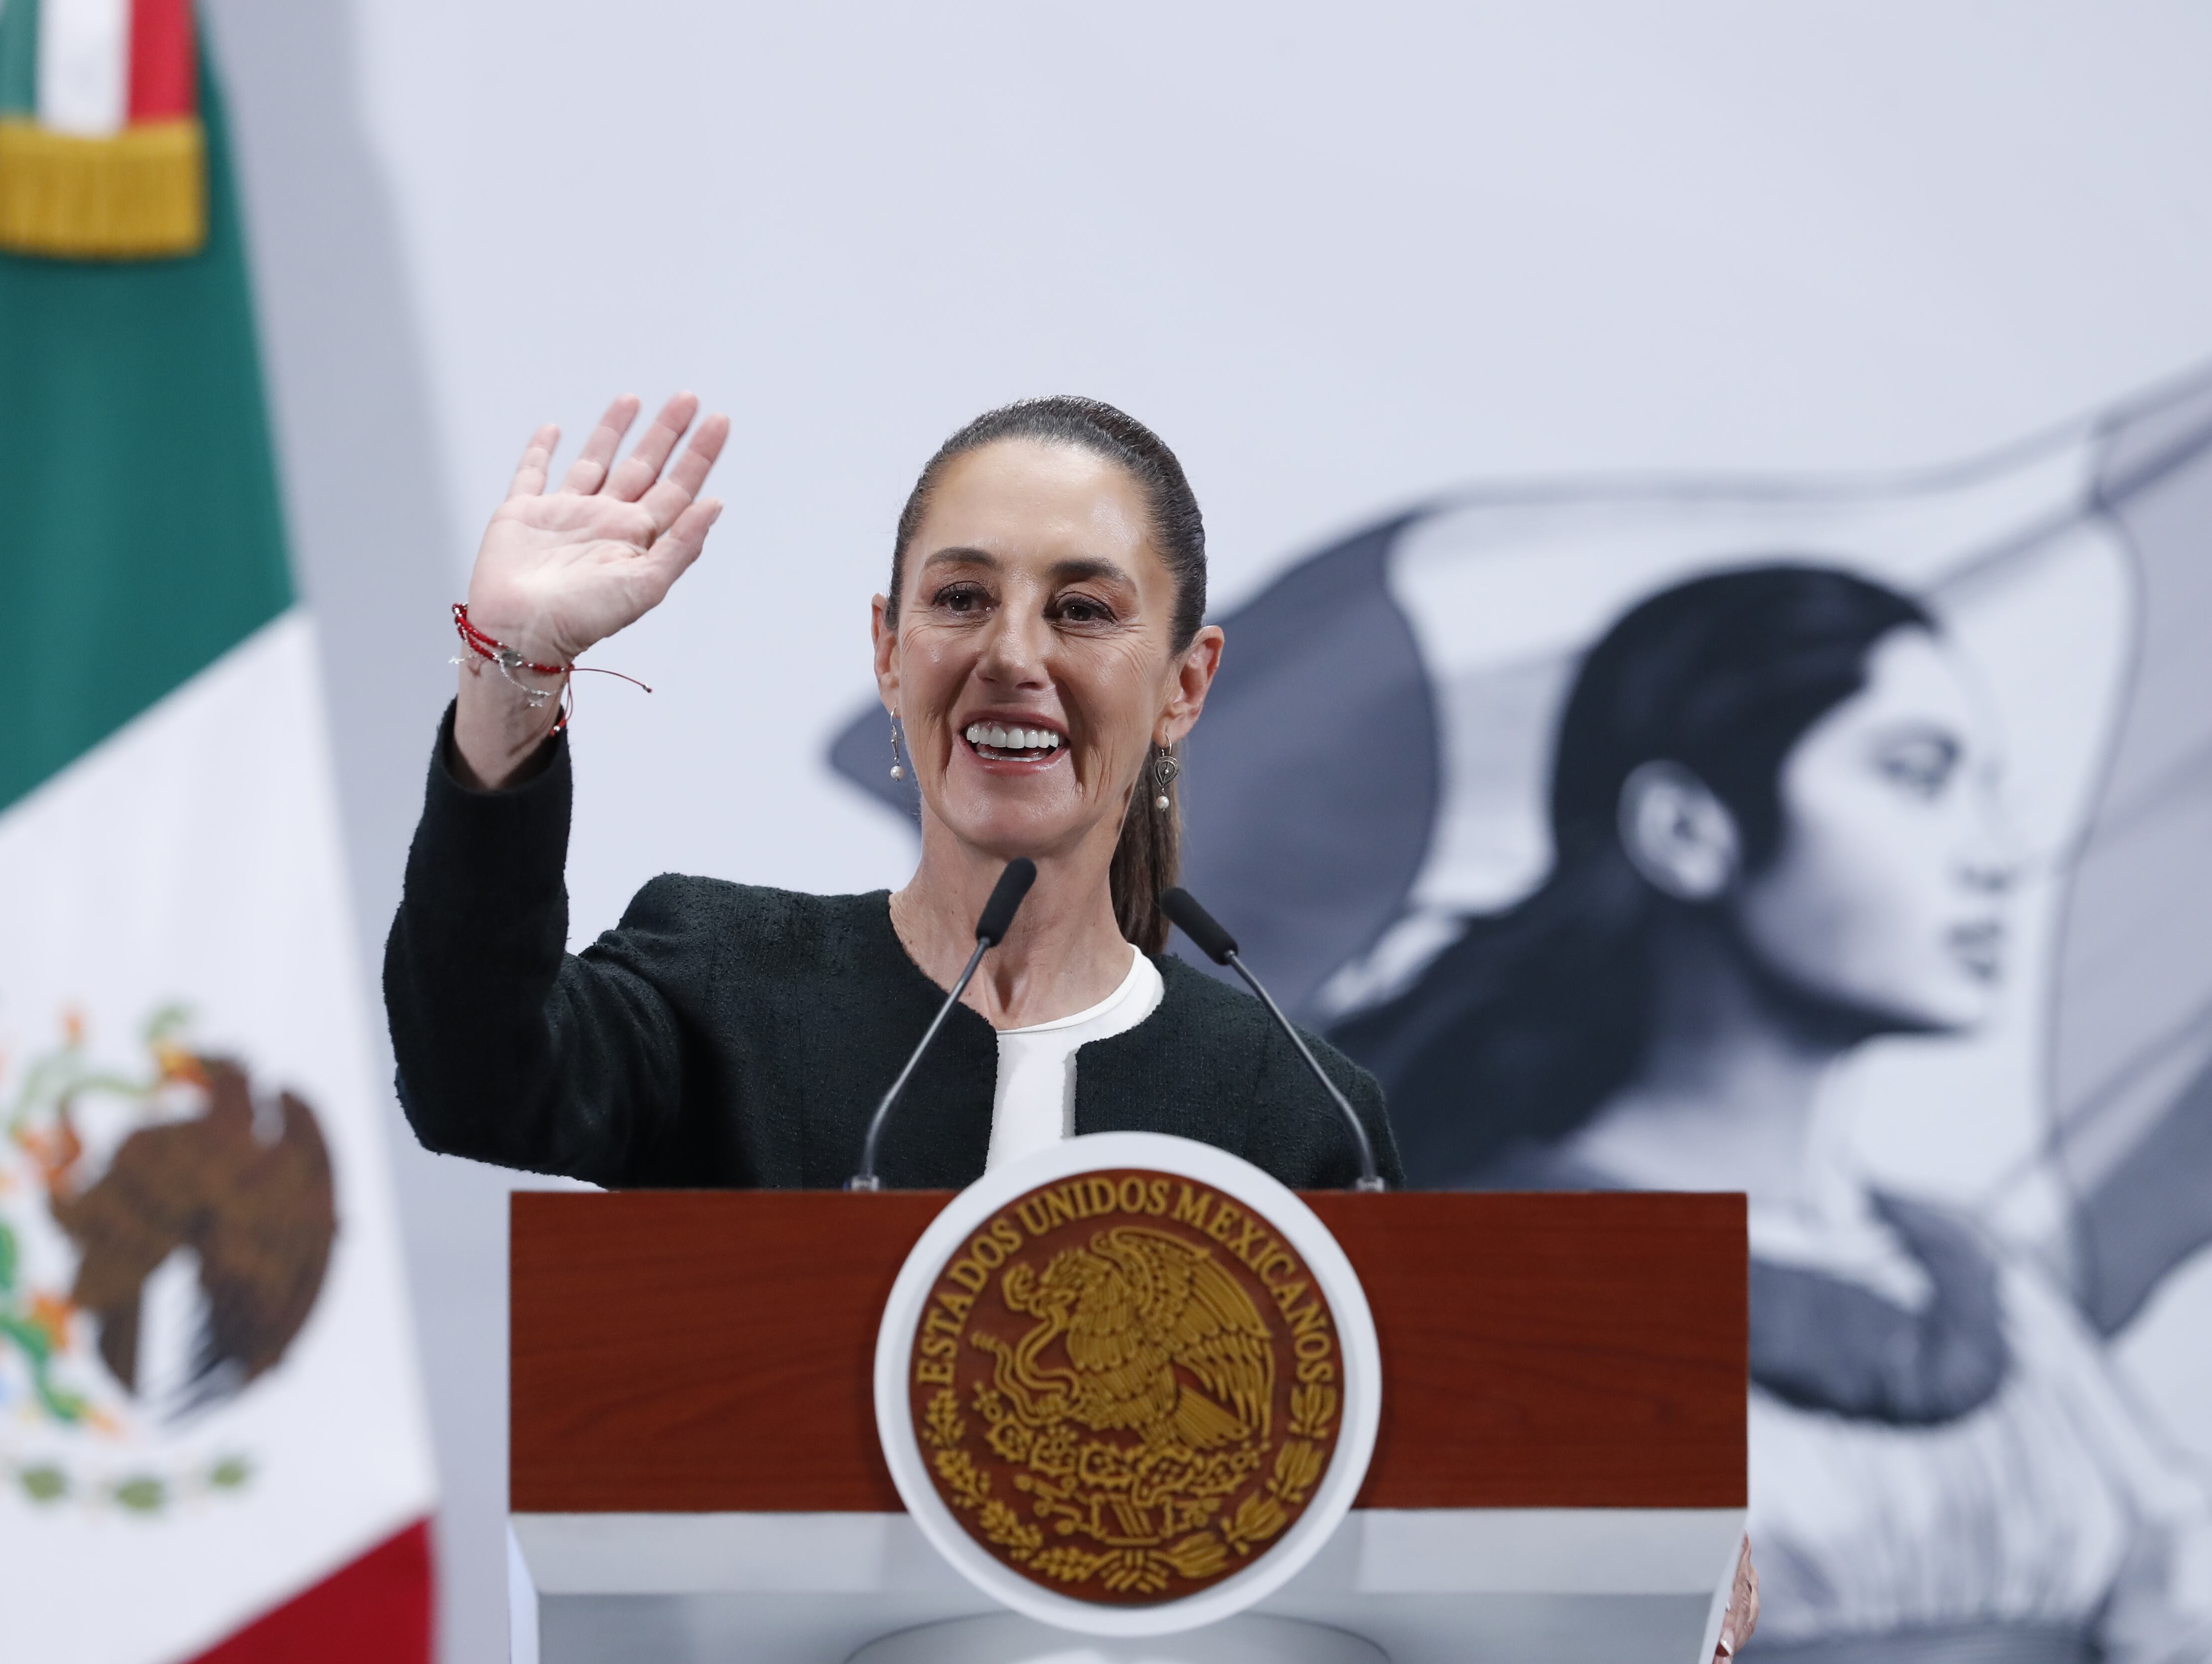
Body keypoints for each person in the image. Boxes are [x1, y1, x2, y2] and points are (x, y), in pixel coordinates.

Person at [1335, 565, 2212, 1662]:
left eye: (1988, 789)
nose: (1994, 855)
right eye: (1916, 776)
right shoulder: (1503, 1283)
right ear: (1687, 829)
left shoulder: (1986, 1283)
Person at [382, 391, 1403, 1192]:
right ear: (888, 650)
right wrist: (512, 666)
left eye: (1083, 610)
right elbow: (473, 1079)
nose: (1012, 654)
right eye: (962, 597)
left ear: (1185, 685)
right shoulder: (721, 991)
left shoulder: (1298, 1112)